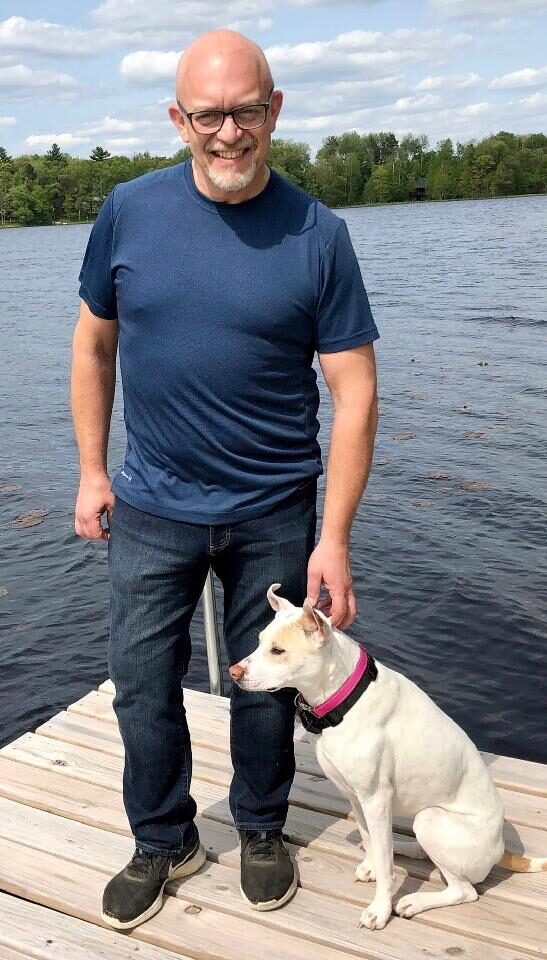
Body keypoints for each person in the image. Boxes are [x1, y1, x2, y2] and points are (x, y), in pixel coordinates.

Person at [72, 28, 379, 931]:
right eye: (208, 115)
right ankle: (163, 838)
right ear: (179, 120)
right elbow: (93, 346)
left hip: (274, 510)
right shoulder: (128, 211)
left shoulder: (318, 234)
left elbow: (355, 392)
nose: (229, 132)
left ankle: (260, 828)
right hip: (150, 506)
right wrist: (91, 471)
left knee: (269, 685)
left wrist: (333, 537)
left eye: (247, 111)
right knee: (140, 683)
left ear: (274, 110)